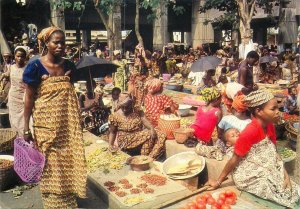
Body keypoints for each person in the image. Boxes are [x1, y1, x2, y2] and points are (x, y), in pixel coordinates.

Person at [23, 27, 86, 209]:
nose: (60, 46)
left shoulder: (69, 66)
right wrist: (26, 127)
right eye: (55, 42)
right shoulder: (34, 67)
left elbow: (68, 94)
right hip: (45, 125)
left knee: (68, 160)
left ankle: (67, 199)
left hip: (67, 125)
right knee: (50, 162)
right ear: (46, 44)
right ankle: (53, 203)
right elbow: (29, 98)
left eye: (62, 42)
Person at [206, 89, 300, 208]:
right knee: (282, 193)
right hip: (249, 174)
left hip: (265, 166)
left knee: (291, 188)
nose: (278, 112)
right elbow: (234, 159)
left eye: (278, 108)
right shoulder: (250, 132)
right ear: (258, 111)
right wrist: (218, 181)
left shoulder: (270, 126)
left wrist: (285, 175)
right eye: (273, 109)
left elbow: (274, 152)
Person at [108, 93, 166, 159]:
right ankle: (144, 158)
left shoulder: (137, 110)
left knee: (160, 135)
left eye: (127, 106)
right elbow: (112, 132)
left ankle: (147, 157)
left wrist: (151, 128)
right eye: (122, 106)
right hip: (125, 140)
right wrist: (110, 145)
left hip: (139, 136)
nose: (124, 109)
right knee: (148, 133)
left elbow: (144, 120)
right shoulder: (115, 116)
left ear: (131, 104)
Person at [2, 47, 28, 135]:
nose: (20, 58)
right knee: (13, 119)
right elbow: (6, 75)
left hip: (23, 98)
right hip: (13, 97)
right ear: (15, 56)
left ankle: (25, 139)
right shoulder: (12, 67)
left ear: (25, 57)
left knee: (24, 120)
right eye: (18, 56)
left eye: (22, 56)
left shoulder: (28, 69)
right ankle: (16, 139)